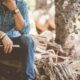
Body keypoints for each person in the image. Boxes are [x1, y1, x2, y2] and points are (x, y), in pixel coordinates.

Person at [0, 0, 35, 80]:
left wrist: (15, 9)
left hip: (14, 44)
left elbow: (25, 31)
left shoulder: (22, 4)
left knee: (28, 39)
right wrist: (2, 35)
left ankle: (29, 78)